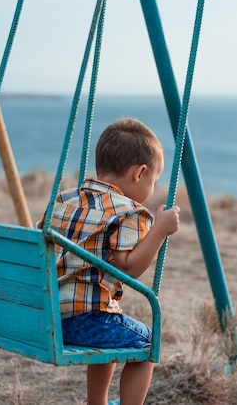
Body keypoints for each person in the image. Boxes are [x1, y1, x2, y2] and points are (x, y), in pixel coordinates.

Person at [45, 117, 180, 405]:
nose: (152, 189)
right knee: (147, 343)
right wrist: (159, 230)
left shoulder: (65, 199)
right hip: (84, 320)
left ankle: (98, 402)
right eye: (153, 182)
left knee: (112, 321)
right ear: (139, 173)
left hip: (44, 314)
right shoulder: (130, 212)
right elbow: (128, 268)